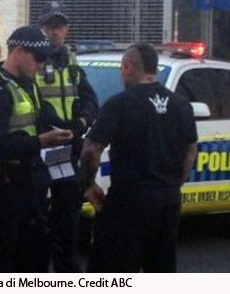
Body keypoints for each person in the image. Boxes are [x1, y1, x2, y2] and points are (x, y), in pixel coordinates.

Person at [80, 43, 198, 273]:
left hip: (128, 202)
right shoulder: (181, 106)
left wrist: (88, 185)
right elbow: (191, 149)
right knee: (161, 268)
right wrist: (176, 182)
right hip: (168, 202)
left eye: (122, 68)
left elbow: (91, 150)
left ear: (128, 66)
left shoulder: (120, 104)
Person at [0, 25, 74, 273]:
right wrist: (42, 141)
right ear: (17, 52)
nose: (40, 65)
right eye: (37, 58)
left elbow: (46, 118)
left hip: (28, 184)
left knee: (34, 257)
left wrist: (77, 125)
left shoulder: (27, 85)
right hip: (1, 187)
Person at [35, 1, 99, 272]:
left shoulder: (72, 62)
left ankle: (66, 270)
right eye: (51, 26)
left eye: (60, 26)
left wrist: (81, 122)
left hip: (67, 147)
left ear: (67, 30)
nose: (55, 32)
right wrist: (54, 125)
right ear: (42, 28)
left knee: (67, 213)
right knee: (35, 215)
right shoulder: (32, 60)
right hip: (41, 146)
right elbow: (30, 102)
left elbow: (90, 99)